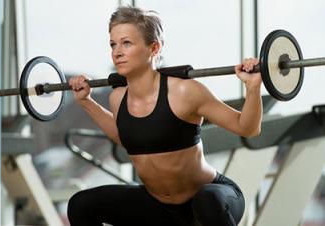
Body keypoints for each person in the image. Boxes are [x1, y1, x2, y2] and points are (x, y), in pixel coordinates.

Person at [67, 6, 262, 226]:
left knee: (206, 200)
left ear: (154, 48)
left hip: (211, 200)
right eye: (113, 44)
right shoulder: (118, 97)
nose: (117, 52)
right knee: (81, 204)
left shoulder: (184, 91)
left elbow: (247, 128)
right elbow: (127, 138)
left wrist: (253, 88)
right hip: (158, 205)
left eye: (126, 43)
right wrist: (86, 102)